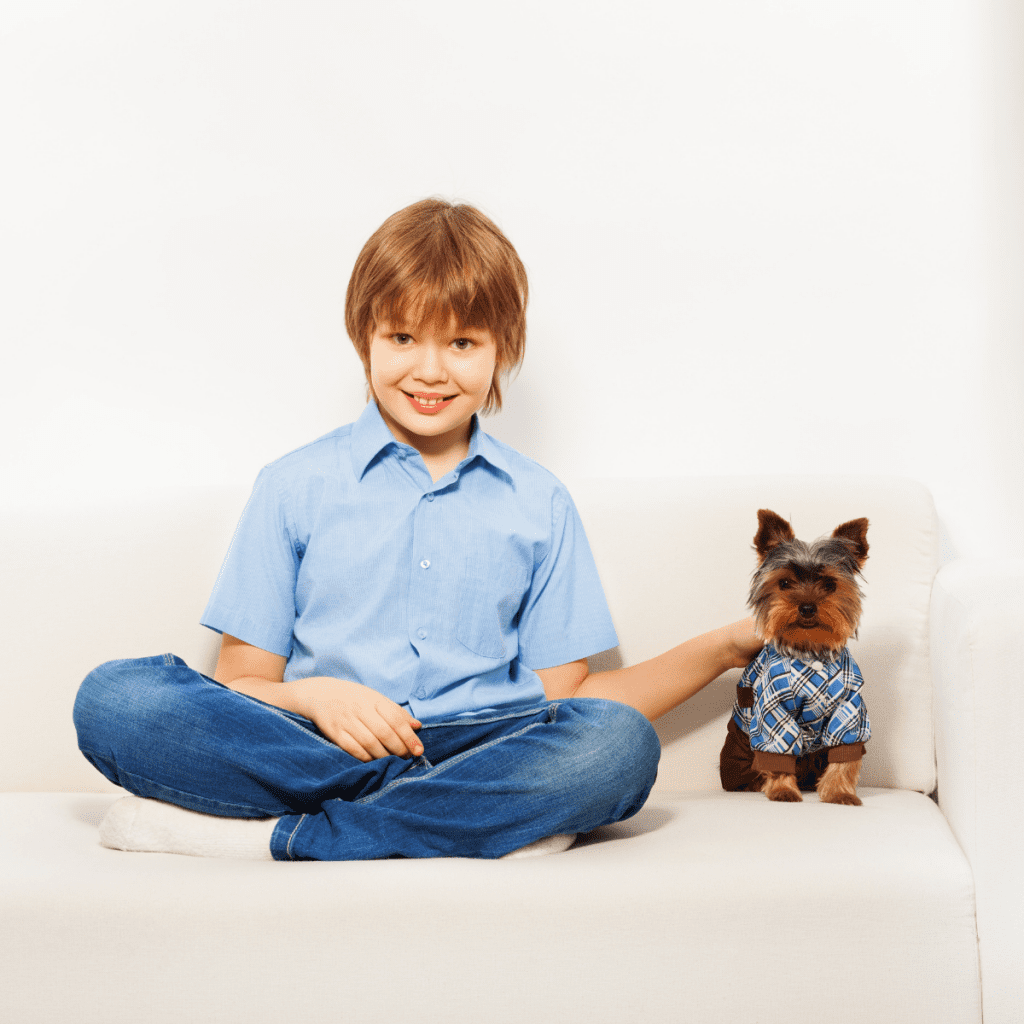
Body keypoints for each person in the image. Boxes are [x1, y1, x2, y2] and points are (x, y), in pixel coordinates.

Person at [74, 198, 760, 861]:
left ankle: (287, 836)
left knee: (618, 745)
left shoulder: (539, 501)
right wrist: (315, 696)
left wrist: (726, 646)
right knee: (115, 698)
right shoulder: (292, 485)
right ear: (363, 339)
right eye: (402, 338)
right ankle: (470, 821)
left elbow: (570, 702)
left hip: (483, 745)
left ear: (502, 349)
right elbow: (243, 681)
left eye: (462, 342)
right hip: (314, 744)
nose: (429, 370)